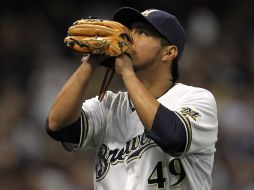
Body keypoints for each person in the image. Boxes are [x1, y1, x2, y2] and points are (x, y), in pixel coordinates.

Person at [46, 7, 218, 190]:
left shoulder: (196, 99)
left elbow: (173, 138)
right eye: (129, 32)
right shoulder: (108, 105)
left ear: (168, 53)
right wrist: (91, 62)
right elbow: (57, 125)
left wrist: (127, 73)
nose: (128, 38)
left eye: (142, 33)